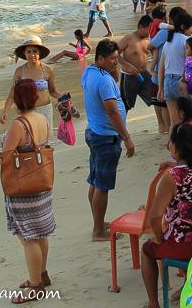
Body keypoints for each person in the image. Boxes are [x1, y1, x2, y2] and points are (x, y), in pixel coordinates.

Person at [140, 124, 192, 308]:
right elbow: (187, 172)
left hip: (190, 244)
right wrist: (173, 164)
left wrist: (159, 238)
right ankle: (185, 286)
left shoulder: (171, 177)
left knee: (147, 250)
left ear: (176, 146)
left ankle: (153, 303)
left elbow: (154, 216)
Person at [0, 78, 55, 303]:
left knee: (27, 236)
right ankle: (41, 274)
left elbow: (7, 155)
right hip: (41, 181)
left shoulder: (18, 124)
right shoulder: (41, 118)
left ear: (17, 100)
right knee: (40, 232)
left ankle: (35, 286)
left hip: (24, 187)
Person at [81, 39, 136, 241]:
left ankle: (98, 221)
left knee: (95, 181)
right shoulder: (103, 80)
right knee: (102, 186)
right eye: (112, 59)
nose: (115, 62)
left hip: (95, 131)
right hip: (106, 136)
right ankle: (98, 231)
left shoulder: (90, 72)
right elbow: (112, 110)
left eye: (116, 58)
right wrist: (127, 137)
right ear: (100, 58)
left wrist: (114, 70)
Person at [1, 36, 64, 131]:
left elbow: (53, 91)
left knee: (44, 142)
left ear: (40, 53)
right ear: (24, 53)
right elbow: (12, 95)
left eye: (35, 51)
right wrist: (5, 112)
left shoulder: (48, 70)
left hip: (45, 111)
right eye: (29, 52)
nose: (32, 55)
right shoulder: (19, 71)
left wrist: (64, 98)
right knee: (29, 142)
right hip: (27, 112)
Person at [150, 10, 192, 131]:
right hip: (180, 81)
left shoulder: (168, 42)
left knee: (174, 122)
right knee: (187, 119)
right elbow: (189, 65)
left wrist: (160, 87)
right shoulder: (186, 41)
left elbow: (161, 67)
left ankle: (172, 146)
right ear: (182, 26)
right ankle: (184, 146)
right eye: (190, 25)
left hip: (167, 82)